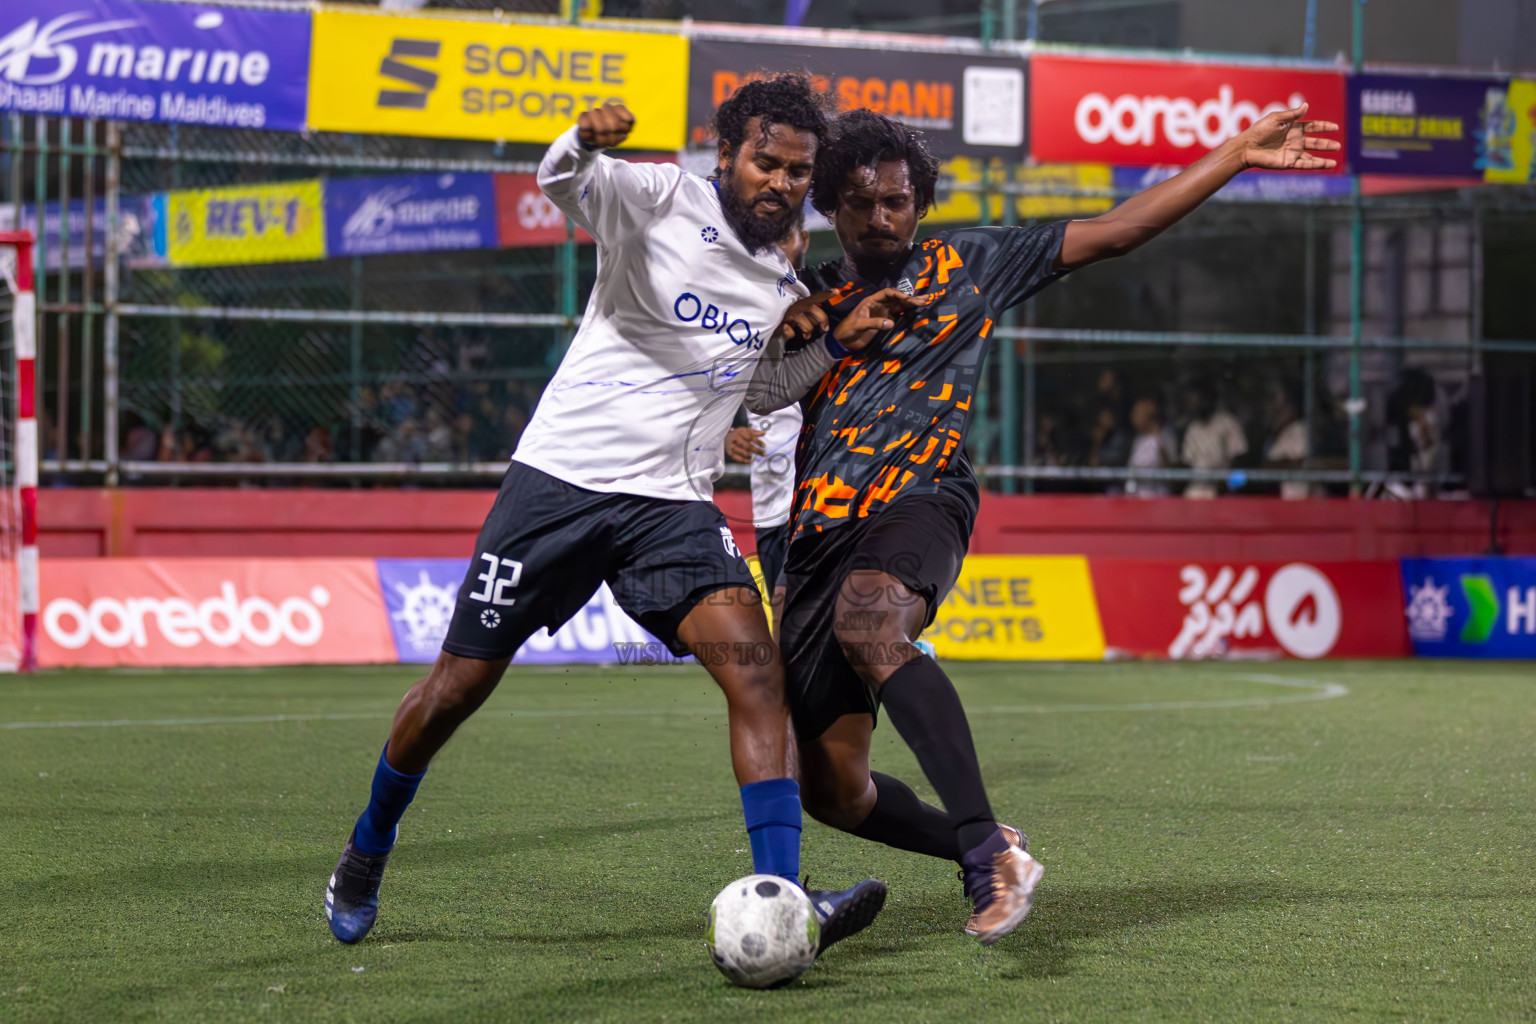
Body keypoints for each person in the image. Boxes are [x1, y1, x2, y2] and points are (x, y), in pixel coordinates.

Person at [325, 79, 907, 949]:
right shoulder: (657, 196)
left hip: (670, 508)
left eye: (797, 169)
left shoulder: (776, 281)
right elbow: (564, 182)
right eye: (766, 161)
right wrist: (582, 139)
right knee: (456, 689)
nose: (782, 181)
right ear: (728, 155)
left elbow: (757, 393)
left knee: (758, 675)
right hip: (557, 485)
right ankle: (368, 845)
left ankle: (784, 896)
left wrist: (830, 346)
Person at [750, 104, 1339, 944]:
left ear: (921, 202)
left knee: (874, 616)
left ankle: (990, 846)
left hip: (921, 497)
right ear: (831, 208)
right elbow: (741, 390)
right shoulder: (800, 296)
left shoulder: (974, 262)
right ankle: (976, 849)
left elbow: (1119, 229)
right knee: (833, 791)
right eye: (860, 202)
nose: (881, 217)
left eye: (898, 200)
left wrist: (1233, 157)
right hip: (813, 540)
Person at [725, 217, 813, 636]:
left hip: (825, 496)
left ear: (803, 239)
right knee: (783, 624)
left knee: (802, 612)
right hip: (773, 500)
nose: (775, 251)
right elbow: (706, 386)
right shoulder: (736, 308)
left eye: (783, 237)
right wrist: (725, 433)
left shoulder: (827, 304)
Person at [1180, 379, 1249, 499]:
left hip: (1222, 492)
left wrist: (1228, 484)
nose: (1190, 403)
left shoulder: (1227, 422)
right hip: (1197, 492)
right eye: (1188, 400)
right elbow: (1188, 463)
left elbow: (1241, 459)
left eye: (1193, 398)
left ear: (1206, 398)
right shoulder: (1192, 428)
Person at [1261, 381, 1311, 499]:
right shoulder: (1274, 437)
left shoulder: (1299, 430)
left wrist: (1269, 467)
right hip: (1279, 504)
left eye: (1273, 399)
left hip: (1300, 502)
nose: (1268, 406)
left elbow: (1301, 463)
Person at [1126, 396, 1178, 497]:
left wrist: (1159, 442)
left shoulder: (1165, 436)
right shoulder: (1138, 440)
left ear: (1148, 415)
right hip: (1138, 500)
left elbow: (1169, 468)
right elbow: (1132, 471)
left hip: (1159, 499)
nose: (1133, 417)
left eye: (1137, 413)